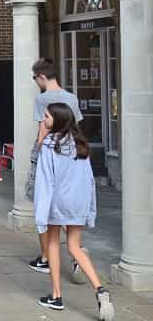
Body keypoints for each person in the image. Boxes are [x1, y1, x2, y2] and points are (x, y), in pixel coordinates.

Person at [34, 103, 114, 320]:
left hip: (57, 202)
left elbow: (45, 181)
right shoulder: (80, 144)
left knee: (52, 242)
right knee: (74, 247)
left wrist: (40, 214)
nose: (44, 119)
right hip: (77, 202)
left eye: (47, 116)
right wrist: (90, 208)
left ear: (57, 120)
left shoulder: (50, 144)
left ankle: (56, 295)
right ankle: (100, 289)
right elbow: (89, 179)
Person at [27, 58, 86, 280]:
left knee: (44, 206)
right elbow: (76, 128)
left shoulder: (42, 99)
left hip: (48, 156)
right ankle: (77, 253)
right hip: (69, 157)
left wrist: (39, 153)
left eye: (35, 78)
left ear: (42, 77)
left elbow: (42, 131)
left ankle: (45, 257)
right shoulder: (71, 98)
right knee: (64, 205)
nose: (35, 82)